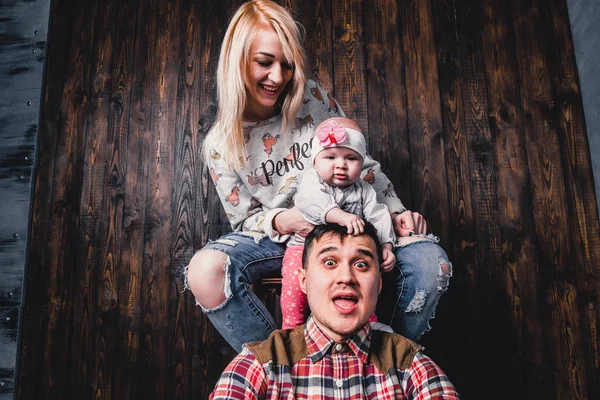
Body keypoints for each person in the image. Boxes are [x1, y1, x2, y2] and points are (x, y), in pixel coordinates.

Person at [184, 0, 453, 353]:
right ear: (237, 62)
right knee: (205, 270)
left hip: (354, 217)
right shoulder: (220, 144)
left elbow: (360, 161)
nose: (278, 77)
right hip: (283, 240)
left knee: (432, 263)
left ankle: (383, 364)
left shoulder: (311, 95)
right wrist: (286, 219)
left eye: (287, 65)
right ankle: (283, 366)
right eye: (264, 62)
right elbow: (246, 220)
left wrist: (396, 212)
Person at [210, 223, 459, 399]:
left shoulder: (412, 366)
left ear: (379, 284)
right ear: (303, 281)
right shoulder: (257, 365)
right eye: (330, 262)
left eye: (361, 264)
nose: (346, 277)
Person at [280, 116, 397, 329]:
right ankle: (292, 327)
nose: (341, 165)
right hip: (304, 247)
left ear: (362, 164)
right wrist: (339, 216)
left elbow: (378, 216)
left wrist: (386, 246)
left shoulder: (364, 190)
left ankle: (367, 324)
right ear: (315, 161)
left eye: (351, 158)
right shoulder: (311, 182)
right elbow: (310, 202)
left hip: (350, 251)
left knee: (363, 277)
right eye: (331, 157)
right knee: (294, 283)